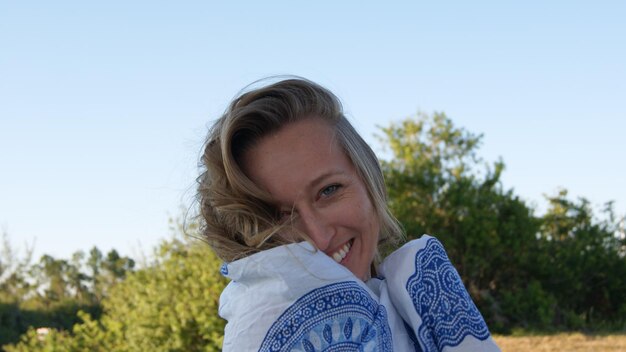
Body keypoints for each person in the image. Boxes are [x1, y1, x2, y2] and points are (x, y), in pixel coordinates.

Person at [197, 77, 501, 351]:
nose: (318, 236)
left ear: (370, 180)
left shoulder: (423, 300)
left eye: (328, 191)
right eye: (281, 216)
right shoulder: (263, 331)